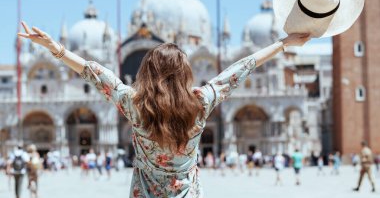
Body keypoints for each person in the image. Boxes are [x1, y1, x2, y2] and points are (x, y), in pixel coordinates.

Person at [18, 21, 309, 197]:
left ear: (147, 70)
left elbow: (95, 73)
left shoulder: (134, 103)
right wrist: (284, 43)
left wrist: (56, 49)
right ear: (184, 72)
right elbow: (241, 68)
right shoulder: (200, 101)